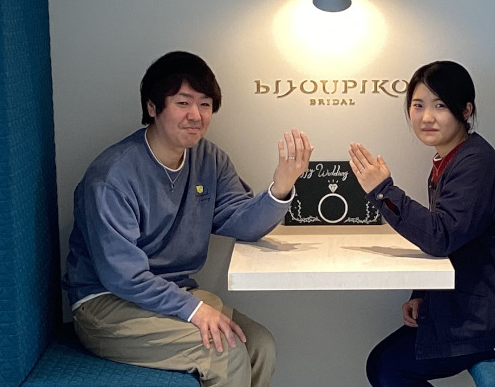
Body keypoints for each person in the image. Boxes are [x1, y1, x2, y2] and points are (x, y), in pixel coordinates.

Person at [62, 51, 314, 387]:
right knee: (224, 352)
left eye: (205, 104)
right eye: (183, 103)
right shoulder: (112, 176)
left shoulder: (209, 158)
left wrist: (281, 186)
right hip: (107, 304)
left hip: (172, 295)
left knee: (261, 346)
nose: (196, 115)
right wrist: (193, 309)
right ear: (153, 107)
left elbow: (241, 223)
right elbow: (122, 276)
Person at [348, 61, 495, 386]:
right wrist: (422, 294)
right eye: (418, 105)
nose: (426, 117)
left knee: (388, 368)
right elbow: (451, 237)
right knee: (381, 362)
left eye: (440, 105)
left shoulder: (475, 163)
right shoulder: (452, 158)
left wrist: (382, 190)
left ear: (465, 110)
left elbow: (440, 237)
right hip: (477, 305)